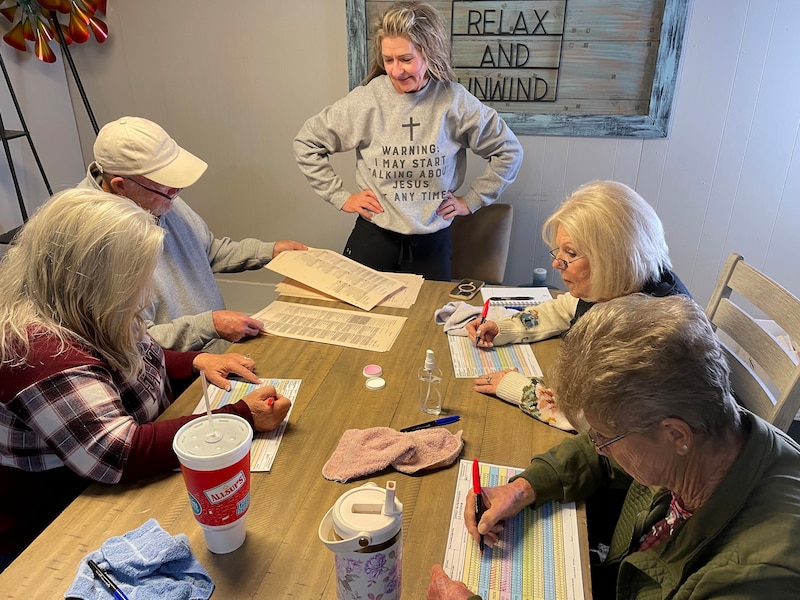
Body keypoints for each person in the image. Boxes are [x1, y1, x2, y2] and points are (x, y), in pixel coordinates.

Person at [428, 294, 800, 599]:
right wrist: (521, 489)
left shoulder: (756, 576)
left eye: (607, 437)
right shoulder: (704, 433)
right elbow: (602, 457)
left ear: (676, 436)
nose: (599, 447)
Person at [0, 189, 292, 570]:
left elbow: (139, 355)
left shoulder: (86, 307)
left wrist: (194, 361)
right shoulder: (37, 351)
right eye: (137, 276)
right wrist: (243, 416)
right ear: (91, 278)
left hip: (113, 479)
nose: (146, 291)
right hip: (60, 519)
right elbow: (118, 453)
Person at [293, 1, 523, 281]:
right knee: (365, 320)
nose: (395, 71)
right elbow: (307, 142)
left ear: (430, 53)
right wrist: (341, 197)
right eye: (388, 60)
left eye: (405, 59)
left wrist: (472, 200)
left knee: (428, 320)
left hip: (432, 241)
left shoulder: (454, 101)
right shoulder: (367, 100)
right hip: (374, 236)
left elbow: (508, 151)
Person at [466, 180, 689, 428]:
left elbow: (598, 421)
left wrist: (521, 390)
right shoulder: (617, 286)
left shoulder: (652, 333)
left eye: (570, 253)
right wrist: (505, 328)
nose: (557, 263)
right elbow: (563, 308)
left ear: (612, 258)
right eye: (559, 251)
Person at [78, 115, 308, 352]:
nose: (176, 190)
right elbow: (134, 342)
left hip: (217, 353)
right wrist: (209, 325)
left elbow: (206, 251)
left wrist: (269, 251)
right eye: (165, 184)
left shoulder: (153, 196)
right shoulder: (95, 241)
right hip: (174, 377)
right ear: (120, 186)